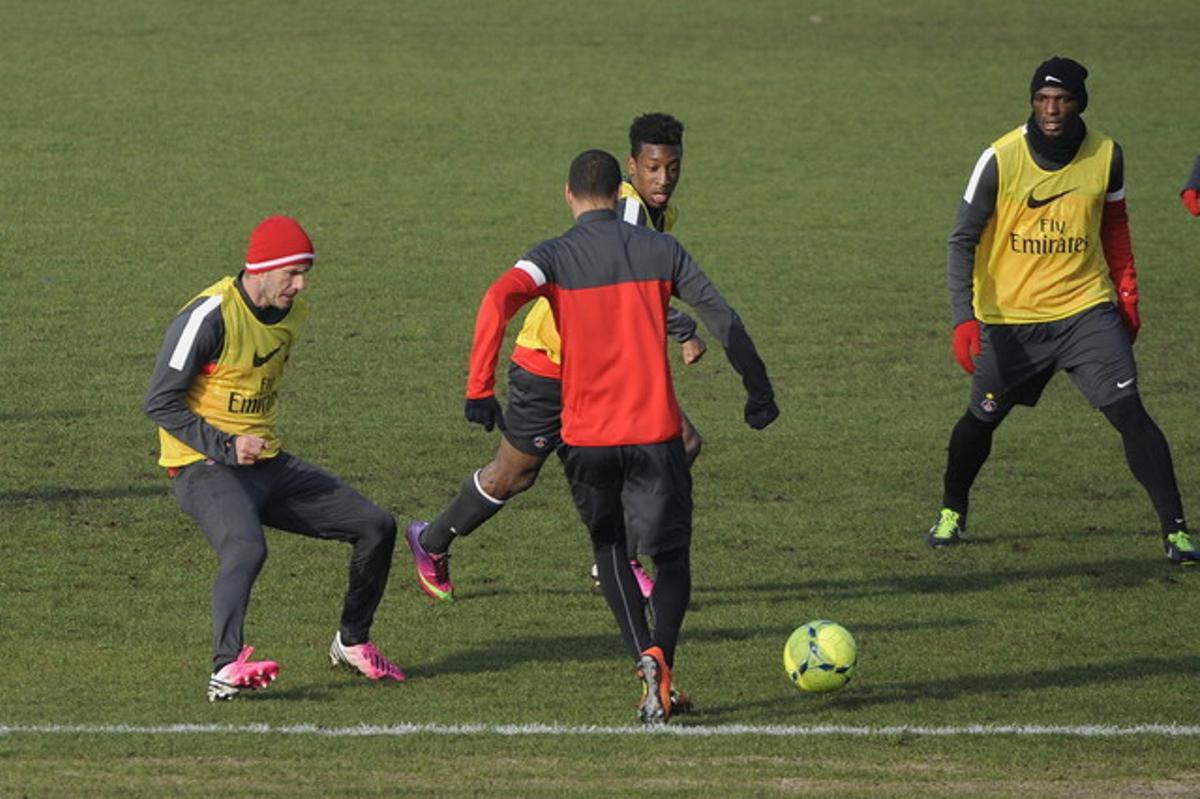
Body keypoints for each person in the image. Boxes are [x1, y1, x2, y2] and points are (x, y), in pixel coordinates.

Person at [463, 149, 777, 724]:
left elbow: (496, 298)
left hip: (587, 438)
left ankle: (645, 667)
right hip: (654, 433)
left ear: (569, 195)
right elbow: (723, 318)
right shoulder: (662, 250)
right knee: (671, 557)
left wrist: (479, 387)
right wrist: (758, 389)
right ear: (619, 192)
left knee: (609, 551)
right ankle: (662, 658)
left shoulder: (552, 256)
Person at [406, 113, 705, 604]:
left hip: (604, 365)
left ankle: (619, 557)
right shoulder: (626, 212)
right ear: (632, 166)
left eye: (673, 168)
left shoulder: (657, 215)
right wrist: (682, 328)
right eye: (653, 168)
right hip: (552, 362)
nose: (664, 179)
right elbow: (623, 284)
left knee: (679, 443)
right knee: (513, 475)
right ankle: (432, 540)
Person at [926, 57, 1197, 565]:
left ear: (1079, 104)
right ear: (1032, 103)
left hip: (1084, 311)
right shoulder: (1000, 158)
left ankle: (1176, 532)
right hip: (1011, 321)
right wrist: (963, 317)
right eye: (1042, 100)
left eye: (1063, 100)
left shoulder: (1107, 154)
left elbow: (1114, 227)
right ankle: (951, 509)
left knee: (1130, 413)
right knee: (981, 420)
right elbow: (961, 240)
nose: (1051, 110)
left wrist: (1128, 296)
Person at [144, 216, 407, 702]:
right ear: (261, 269)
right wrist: (226, 445)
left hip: (266, 463)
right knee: (246, 547)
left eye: (305, 273)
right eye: (292, 273)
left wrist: (248, 445)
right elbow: (159, 401)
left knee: (375, 526)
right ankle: (226, 667)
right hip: (203, 466)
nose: (300, 285)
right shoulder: (209, 316)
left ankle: (352, 642)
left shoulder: (292, 314)